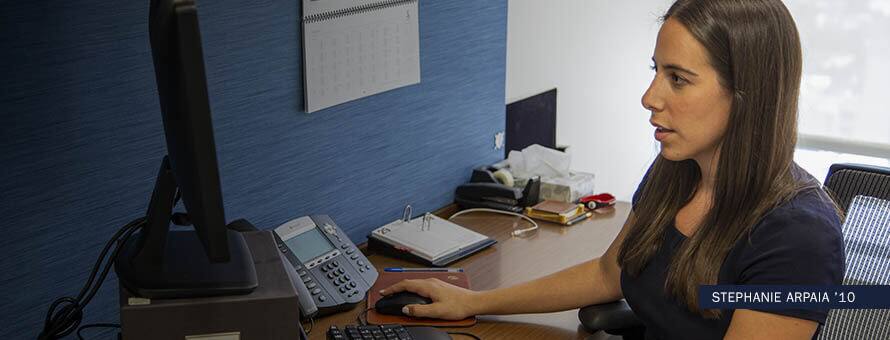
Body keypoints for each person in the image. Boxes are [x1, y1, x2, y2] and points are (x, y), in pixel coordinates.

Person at [378, 0, 846, 339]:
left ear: (746, 95)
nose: (649, 97)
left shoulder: (797, 236)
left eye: (677, 79)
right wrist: (473, 302)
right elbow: (610, 273)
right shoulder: (676, 172)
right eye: (656, 71)